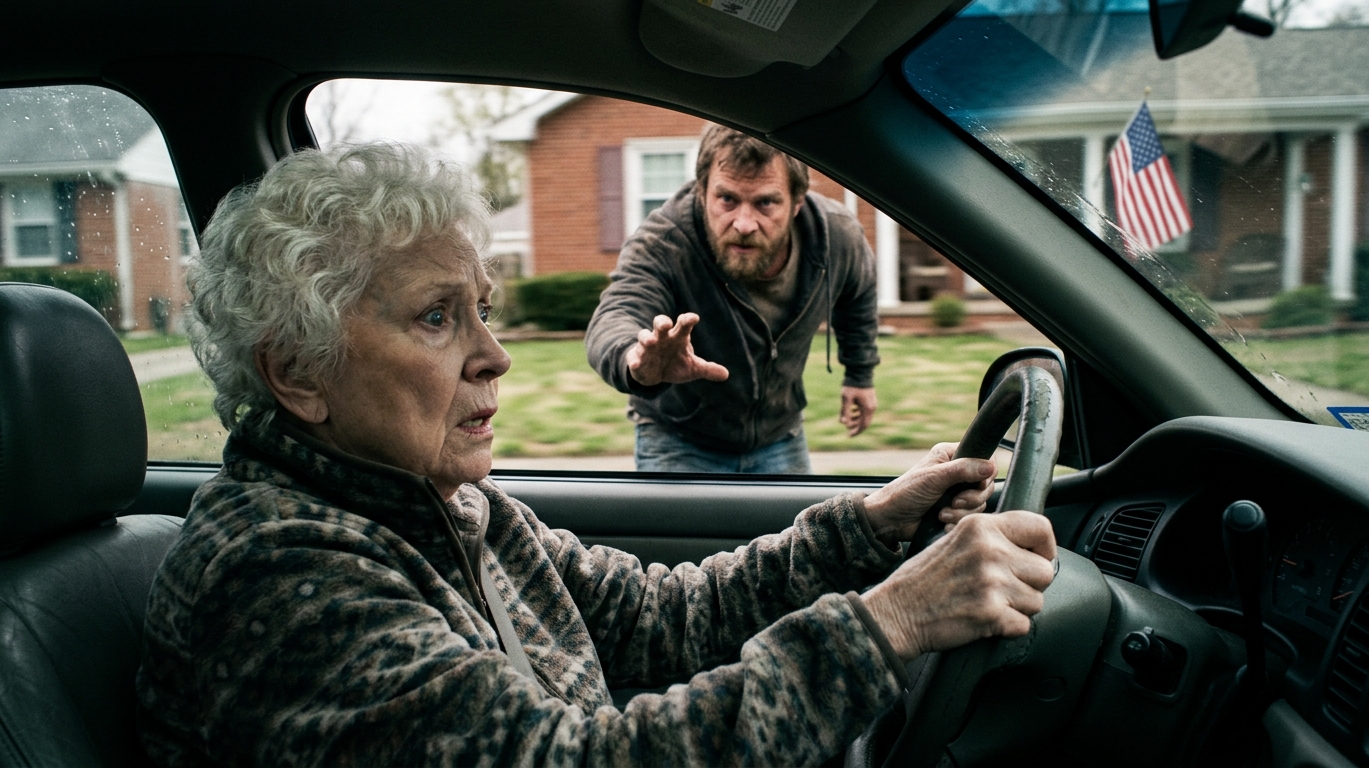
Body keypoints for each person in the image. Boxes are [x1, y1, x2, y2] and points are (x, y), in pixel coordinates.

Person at [136, 143, 1057, 767]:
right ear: (298, 371)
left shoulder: (447, 505)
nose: (495, 355)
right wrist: (888, 625)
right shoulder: (279, 575)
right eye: (437, 316)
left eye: (482, 309)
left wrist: (870, 525)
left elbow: (664, 617)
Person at [586, 126, 879, 473]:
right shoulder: (664, 242)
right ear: (702, 192)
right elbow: (617, 312)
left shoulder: (836, 236)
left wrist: (859, 374)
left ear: (797, 202)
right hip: (678, 439)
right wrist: (633, 358)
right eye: (727, 199)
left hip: (780, 434)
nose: (743, 223)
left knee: (805, 514)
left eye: (765, 203)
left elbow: (858, 294)